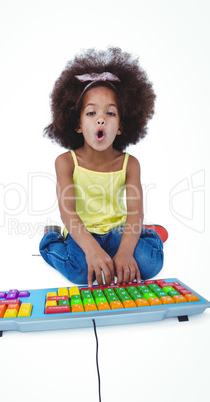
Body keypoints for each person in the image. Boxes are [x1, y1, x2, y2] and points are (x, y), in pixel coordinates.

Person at [39, 47, 168, 287]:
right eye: (91, 113)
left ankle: (146, 234)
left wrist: (127, 252)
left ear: (120, 125)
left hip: (118, 231)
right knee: (80, 273)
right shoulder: (66, 162)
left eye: (110, 113)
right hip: (83, 233)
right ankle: (50, 239)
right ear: (77, 124)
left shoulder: (130, 164)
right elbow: (69, 212)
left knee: (150, 264)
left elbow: (134, 211)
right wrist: (91, 250)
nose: (101, 119)